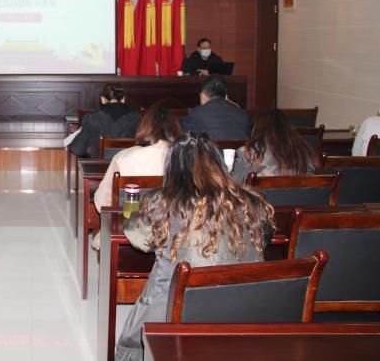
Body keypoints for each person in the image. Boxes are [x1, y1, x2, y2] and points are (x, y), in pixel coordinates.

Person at [115, 132, 275, 361]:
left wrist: (133, 218)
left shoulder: (163, 203)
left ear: (172, 168)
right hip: (244, 311)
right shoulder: (252, 202)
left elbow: (139, 239)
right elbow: (265, 239)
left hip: (175, 315)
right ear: (219, 164)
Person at [92, 105, 181, 249]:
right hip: (176, 234)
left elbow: (102, 202)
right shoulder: (185, 159)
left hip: (132, 233)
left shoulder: (123, 157)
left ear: (144, 127)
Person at [231, 109, 319, 183]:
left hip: (262, 198)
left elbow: (235, 185)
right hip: (301, 198)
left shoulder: (248, 152)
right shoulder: (304, 152)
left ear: (256, 128)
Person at [69, 84, 142, 159]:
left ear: (103, 99)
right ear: (123, 99)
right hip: (127, 165)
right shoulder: (137, 118)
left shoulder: (92, 118)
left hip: (100, 166)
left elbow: (77, 149)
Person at [180, 74, 250, 140]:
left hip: (208, 149)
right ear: (226, 97)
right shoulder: (243, 116)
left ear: (203, 95)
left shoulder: (195, 114)